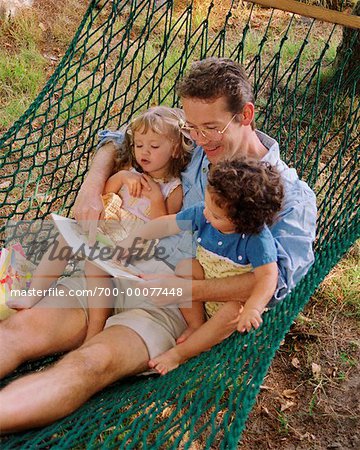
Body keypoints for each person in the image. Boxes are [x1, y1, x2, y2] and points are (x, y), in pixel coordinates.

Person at [0, 57, 316, 433]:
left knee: (89, 363)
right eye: (193, 128)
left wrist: (184, 289)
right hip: (114, 268)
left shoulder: (290, 197)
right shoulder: (194, 148)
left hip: (173, 308)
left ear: (246, 114)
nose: (201, 139)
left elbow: (273, 284)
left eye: (212, 128)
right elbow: (117, 138)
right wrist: (91, 187)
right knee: (19, 330)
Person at [7, 106, 192, 344]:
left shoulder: (172, 188)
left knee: (95, 268)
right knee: (64, 239)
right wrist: (121, 178)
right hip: (109, 233)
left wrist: (156, 197)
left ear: (175, 149)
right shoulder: (129, 172)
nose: (144, 152)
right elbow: (105, 196)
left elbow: (162, 228)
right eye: (139, 145)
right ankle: (33, 295)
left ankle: (95, 328)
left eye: (154, 146)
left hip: (136, 247)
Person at [118, 158, 284, 375]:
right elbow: (168, 224)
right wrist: (135, 238)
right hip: (205, 289)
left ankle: (180, 354)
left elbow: (268, 277)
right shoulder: (204, 213)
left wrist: (253, 307)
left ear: (243, 222)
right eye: (207, 205)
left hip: (229, 305)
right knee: (187, 266)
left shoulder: (256, 239)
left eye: (215, 215)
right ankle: (196, 325)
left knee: (234, 309)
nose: (206, 214)